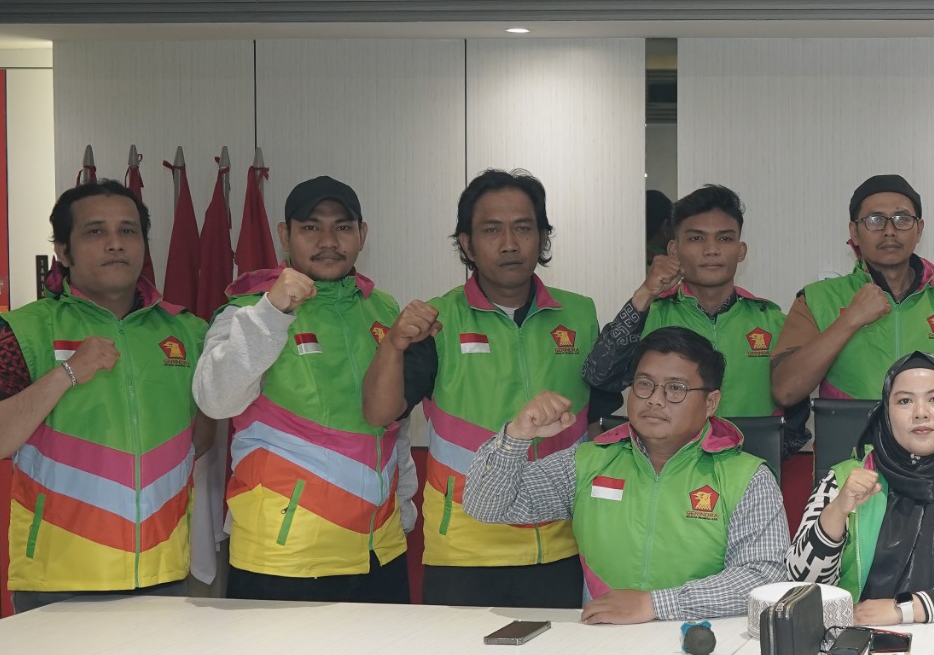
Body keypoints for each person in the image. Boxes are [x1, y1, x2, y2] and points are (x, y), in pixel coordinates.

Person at [0, 182, 212, 611]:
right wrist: (67, 373)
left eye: (128, 231)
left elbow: (200, 438)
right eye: (96, 231)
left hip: (163, 576)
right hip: (58, 581)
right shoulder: (25, 330)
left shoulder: (189, 331)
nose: (115, 243)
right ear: (63, 250)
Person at [363, 169, 600, 608]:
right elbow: (379, 413)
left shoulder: (580, 315)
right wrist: (393, 345)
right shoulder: (437, 320)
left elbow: (600, 420)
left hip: (563, 544)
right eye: (492, 230)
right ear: (467, 244)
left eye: (523, 228)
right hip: (464, 551)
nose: (509, 244)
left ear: (543, 238)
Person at [463, 328, 787, 621]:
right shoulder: (588, 462)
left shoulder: (747, 477)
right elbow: (485, 506)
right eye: (644, 384)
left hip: (707, 642)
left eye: (675, 388)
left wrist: (655, 604)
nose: (655, 400)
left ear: (710, 402)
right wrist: (517, 436)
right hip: (606, 641)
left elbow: (764, 576)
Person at [192, 176, 408, 603]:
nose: (328, 241)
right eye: (311, 227)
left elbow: (394, 422)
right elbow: (215, 399)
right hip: (283, 556)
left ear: (362, 234)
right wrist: (271, 313)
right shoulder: (249, 310)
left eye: (342, 227)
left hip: (378, 550)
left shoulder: (383, 308)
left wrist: (405, 507)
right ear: (284, 235)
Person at [771, 175, 934, 514]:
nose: (889, 231)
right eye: (875, 220)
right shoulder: (818, 299)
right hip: (850, 479)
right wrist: (850, 319)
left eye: (902, 219)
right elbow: (786, 390)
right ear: (854, 231)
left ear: (919, 229)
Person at [785, 352, 934, 624]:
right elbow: (800, 581)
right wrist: (837, 511)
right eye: (904, 401)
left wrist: (907, 609)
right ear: (886, 414)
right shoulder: (843, 480)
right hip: (855, 636)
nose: (921, 413)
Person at [584, 183, 786, 428]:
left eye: (724, 238)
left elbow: (796, 403)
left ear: (740, 251)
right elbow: (600, 376)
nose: (711, 250)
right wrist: (644, 294)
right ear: (674, 250)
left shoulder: (771, 321)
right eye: (696, 238)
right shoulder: (650, 315)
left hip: (753, 451)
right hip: (669, 453)